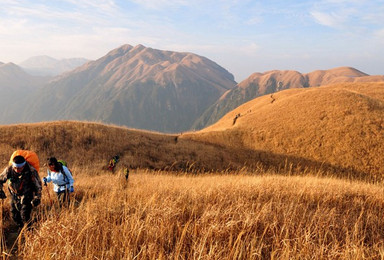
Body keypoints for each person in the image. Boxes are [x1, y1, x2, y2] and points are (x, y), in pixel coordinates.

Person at [0, 155, 42, 228]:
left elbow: (38, 185)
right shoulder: (9, 170)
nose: (17, 170)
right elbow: (0, 180)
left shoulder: (31, 171)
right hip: (14, 195)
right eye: (15, 168)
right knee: (14, 215)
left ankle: (29, 230)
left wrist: (37, 197)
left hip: (27, 194)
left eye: (19, 168)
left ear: (23, 165)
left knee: (25, 214)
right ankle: (22, 227)